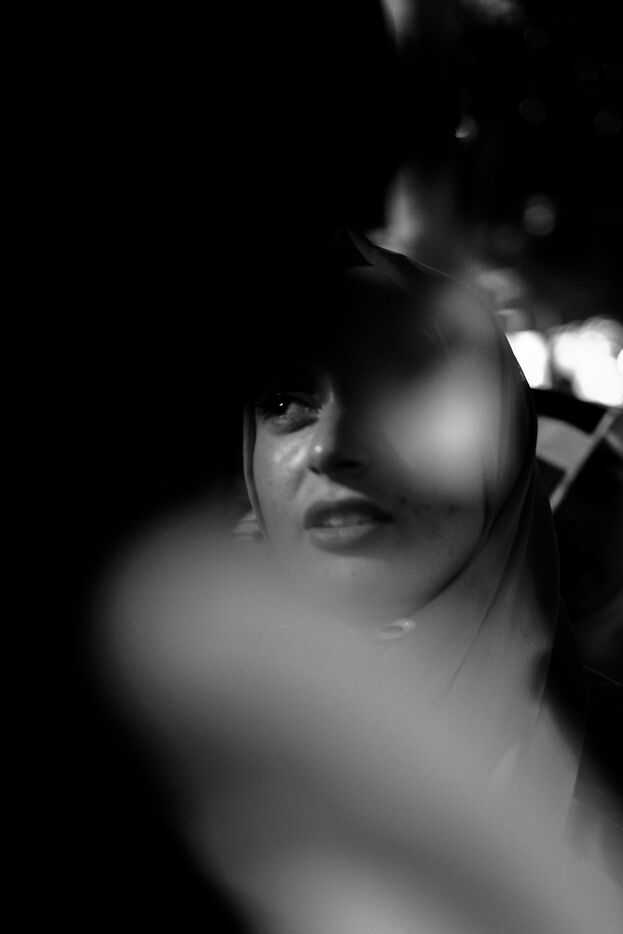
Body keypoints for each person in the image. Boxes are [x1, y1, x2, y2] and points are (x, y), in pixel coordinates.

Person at [98, 228, 622, 932]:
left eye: (397, 391)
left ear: (502, 442)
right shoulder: (157, 761)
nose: (333, 446)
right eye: (285, 402)